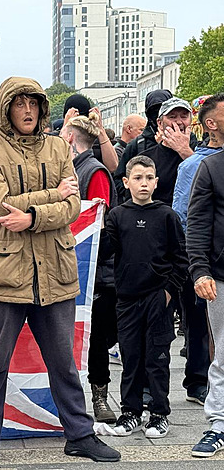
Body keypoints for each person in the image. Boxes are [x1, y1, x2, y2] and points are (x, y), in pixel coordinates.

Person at [0, 77, 120, 467]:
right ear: (6, 109)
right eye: (19, 104)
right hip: (5, 272)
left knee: (63, 364)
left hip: (55, 268)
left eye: (33, 103)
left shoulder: (57, 146)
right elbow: (0, 205)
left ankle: (80, 435)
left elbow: (74, 207)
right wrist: (54, 194)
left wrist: (34, 214)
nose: (28, 111)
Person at [106, 156, 188, 439]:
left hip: (158, 299)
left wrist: (168, 292)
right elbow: (106, 251)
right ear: (126, 182)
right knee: (131, 357)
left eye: (149, 177)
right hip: (127, 299)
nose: (144, 183)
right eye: (138, 178)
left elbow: (181, 259)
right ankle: (130, 412)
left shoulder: (167, 216)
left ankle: (158, 413)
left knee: (157, 358)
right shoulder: (117, 216)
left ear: (156, 181)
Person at [63, 113, 118, 424]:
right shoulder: (74, 169)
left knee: (95, 336)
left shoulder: (93, 171)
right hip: (75, 264)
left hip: (94, 270)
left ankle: (99, 397)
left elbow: (98, 220)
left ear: (70, 138)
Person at [173, 95, 223, 407]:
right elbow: (189, 218)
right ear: (211, 123)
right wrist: (198, 268)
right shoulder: (198, 166)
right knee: (207, 337)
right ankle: (203, 392)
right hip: (214, 269)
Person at [186, 94, 224, 458]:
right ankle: (218, 425)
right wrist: (199, 269)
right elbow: (196, 223)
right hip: (221, 276)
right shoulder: (211, 168)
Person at [135, 97, 194, 206]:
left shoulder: (201, 152)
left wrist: (185, 151)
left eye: (184, 116)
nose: (179, 122)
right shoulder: (146, 158)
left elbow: (210, 181)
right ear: (160, 123)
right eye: (172, 117)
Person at [61, 94, 118, 173]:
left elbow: (113, 166)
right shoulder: (56, 139)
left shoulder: (96, 137)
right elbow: (56, 163)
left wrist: (100, 129)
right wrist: (66, 128)